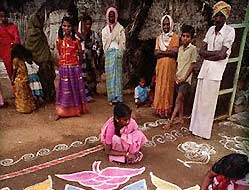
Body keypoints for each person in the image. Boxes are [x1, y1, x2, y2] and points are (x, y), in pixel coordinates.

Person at [189, 1, 235, 139]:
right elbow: (201, 51)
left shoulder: (229, 31)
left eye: (221, 16)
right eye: (216, 16)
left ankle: (203, 132)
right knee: (199, 99)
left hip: (216, 72)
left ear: (225, 17)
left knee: (208, 102)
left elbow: (222, 55)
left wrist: (211, 54)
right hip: (205, 69)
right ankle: (194, 128)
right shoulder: (210, 30)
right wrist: (214, 54)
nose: (218, 19)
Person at [163, 25, 197, 129]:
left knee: (178, 99)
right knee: (180, 99)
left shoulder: (193, 49)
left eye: (188, 36)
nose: (185, 38)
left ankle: (171, 121)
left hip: (185, 80)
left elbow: (192, 65)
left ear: (191, 38)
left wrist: (185, 78)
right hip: (178, 78)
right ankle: (181, 118)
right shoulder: (180, 49)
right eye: (183, 36)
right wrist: (174, 76)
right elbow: (178, 64)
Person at [55, 16, 88, 120]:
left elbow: (81, 54)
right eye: (64, 26)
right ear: (61, 27)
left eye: (69, 26)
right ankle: (62, 111)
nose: (66, 28)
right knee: (64, 90)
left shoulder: (76, 41)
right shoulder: (59, 41)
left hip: (74, 68)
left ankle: (76, 109)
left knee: (74, 88)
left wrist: (77, 65)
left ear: (72, 28)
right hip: (64, 68)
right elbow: (60, 53)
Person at [25, 6, 56, 103]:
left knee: (44, 79)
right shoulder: (36, 33)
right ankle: (48, 96)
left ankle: (46, 96)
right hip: (42, 60)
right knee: (46, 78)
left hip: (38, 61)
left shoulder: (31, 33)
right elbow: (30, 47)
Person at [153, 15, 179, 118]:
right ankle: (159, 110)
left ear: (171, 25)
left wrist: (162, 52)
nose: (166, 26)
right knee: (160, 86)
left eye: (168, 24)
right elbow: (156, 53)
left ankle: (166, 111)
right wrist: (168, 52)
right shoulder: (159, 38)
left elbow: (175, 52)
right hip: (160, 66)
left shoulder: (175, 37)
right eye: (164, 24)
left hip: (170, 66)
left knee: (168, 87)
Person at [102, 7, 126, 105]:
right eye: (110, 16)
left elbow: (122, 42)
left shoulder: (120, 29)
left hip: (117, 53)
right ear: (107, 17)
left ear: (116, 16)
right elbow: (104, 42)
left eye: (113, 16)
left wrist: (120, 52)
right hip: (109, 54)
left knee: (117, 76)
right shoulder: (104, 30)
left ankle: (118, 97)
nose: (111, 18)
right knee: (110, 76)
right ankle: (111, 97)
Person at [77, 15, 102, 101]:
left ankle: (93, 89)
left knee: (94, 71)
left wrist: (94, 51)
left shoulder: (93, 34)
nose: (88, 26)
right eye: (86, 24)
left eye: (89, 24)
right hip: (82, 57)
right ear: (83, 24)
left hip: (91, 56)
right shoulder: (78, 35)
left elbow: (98, 44)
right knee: (84, 74)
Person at [11, 44, 35, 113]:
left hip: (19, 79)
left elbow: (15, 70)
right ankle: (30, 106)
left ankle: (23, 108)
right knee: (27, 93)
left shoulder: (15, 60)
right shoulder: (23, 59)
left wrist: (13, 79)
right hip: (25, 78)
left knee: (20, 94)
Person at [0, 6, 20, 80]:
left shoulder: (13, 27)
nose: (3, 18)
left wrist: (13, 45)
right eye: (1, 17)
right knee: (9, 75)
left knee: (16, 73)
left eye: (5, 16)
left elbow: (17, 38)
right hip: (4, 54)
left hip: (13, 52)